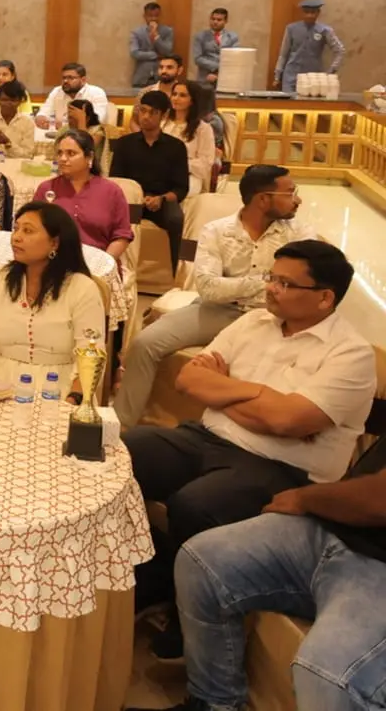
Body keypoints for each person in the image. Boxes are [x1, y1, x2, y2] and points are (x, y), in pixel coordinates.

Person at [122, 240, 376, 660]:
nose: (270, 288)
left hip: (280, 466)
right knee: (122, 454)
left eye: (285, 283)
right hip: (206, 437)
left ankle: (184, 612)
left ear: (324, 297)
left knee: (197, 504)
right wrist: (264, 400)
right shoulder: (254, 322)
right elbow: (189, 379)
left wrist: (226, 390)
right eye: (271, 277)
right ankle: (149, 574)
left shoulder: (350, 354)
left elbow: (288, 422)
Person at [154, 446, 386, 711]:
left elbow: (380, 499)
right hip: (336, 527)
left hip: (377, 565)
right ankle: (214, 705)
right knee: (201, 561)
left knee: (328, 674)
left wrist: (304, 498)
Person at [113, 165, 315, 427]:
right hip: (219, 310)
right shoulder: (217, 231)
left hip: (273, 316)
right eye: (290, 193)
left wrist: (247, 286)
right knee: (145, 343)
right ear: (263, 199)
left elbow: (304, 283)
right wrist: (266, 282)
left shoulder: (299, 234)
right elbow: (209, 288)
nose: (298, 200)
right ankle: (120, 426)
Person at [0, 203, 105, 388]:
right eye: (16, 229)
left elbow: (91, 353)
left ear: (54, 243)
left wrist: (73, 399)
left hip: (59, 386)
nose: (16, 237)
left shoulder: (81, 288)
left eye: (28, 231)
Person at [110, 90, 190, 268]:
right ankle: (112, 267)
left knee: (176, 219)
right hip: (130, 200)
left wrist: (161, 198)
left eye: (153, 112)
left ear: (164, 115)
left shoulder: (176, 147)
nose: (146, 117)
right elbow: (116, 180)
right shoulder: (124, 144)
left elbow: (181, 188)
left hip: (160, 201)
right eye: (143, 111)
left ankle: (177, 272)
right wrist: (135, 198)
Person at [33, 130, 133, 262]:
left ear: (89, 157)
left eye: (71, 153)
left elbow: (122, 236)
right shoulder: (47, 189)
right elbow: (33, 228)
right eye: (60, 153)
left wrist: (102, 263)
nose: (63, 158)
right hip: (54, 262)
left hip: (99, 262)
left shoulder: (111, 191)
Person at [274, 0, 345, 93]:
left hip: (313, 78)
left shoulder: (324, 30)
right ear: (302, 13)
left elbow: (340, 50)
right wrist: (277, 75)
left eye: (313, 12)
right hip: (291, 75)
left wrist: (332, 69)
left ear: (318, 13)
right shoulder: (291, 29)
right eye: (306, 12)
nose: (310, 15)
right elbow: (283, 54)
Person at [164, 81, 216, 195]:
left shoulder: (203, 129)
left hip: (189, 176)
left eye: (182, 95)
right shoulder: (162, 124)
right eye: (174, 94)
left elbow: (206, 163)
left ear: (192, 101)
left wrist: (180, 164)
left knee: (179, 192)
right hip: (161, 173)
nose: (176, 98)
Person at [35, 62, 111, 130]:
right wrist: (41, 117)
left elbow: (98, 120)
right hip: (60, 134)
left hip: (89, 135)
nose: (65, 81)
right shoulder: (57, 91)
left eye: (70, 78)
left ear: (83, 80)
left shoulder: (96, 92)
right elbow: (45, 110)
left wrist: (65, 125)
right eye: (64, 78)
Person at [0, 79, 36, 158]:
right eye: (4, 100)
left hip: (17, 164)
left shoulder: (28, 123)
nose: (8, 104)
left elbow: (28, 155)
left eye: (13, 100)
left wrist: (7, 143)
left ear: (20, 101)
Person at [130, 2, 177, 87]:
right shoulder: (136, 32)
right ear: (144, 16)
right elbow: (135, 53)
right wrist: (155, 55)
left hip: (161, 77)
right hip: (141, 77)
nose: (153, 19)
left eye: (156, 16)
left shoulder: (168, 31)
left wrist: (156, 36)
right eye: (150, 16)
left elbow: (167, 52)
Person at [190, 7, 240, 85]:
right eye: (213, 19)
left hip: (226, 78)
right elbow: (198, 58)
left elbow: (234, 58)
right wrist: (217, 67)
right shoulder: (200, 36)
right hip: (205, 78)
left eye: (219, 20)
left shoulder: (233, 37)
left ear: (226, 21)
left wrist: (219, 72)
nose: (215, 22)